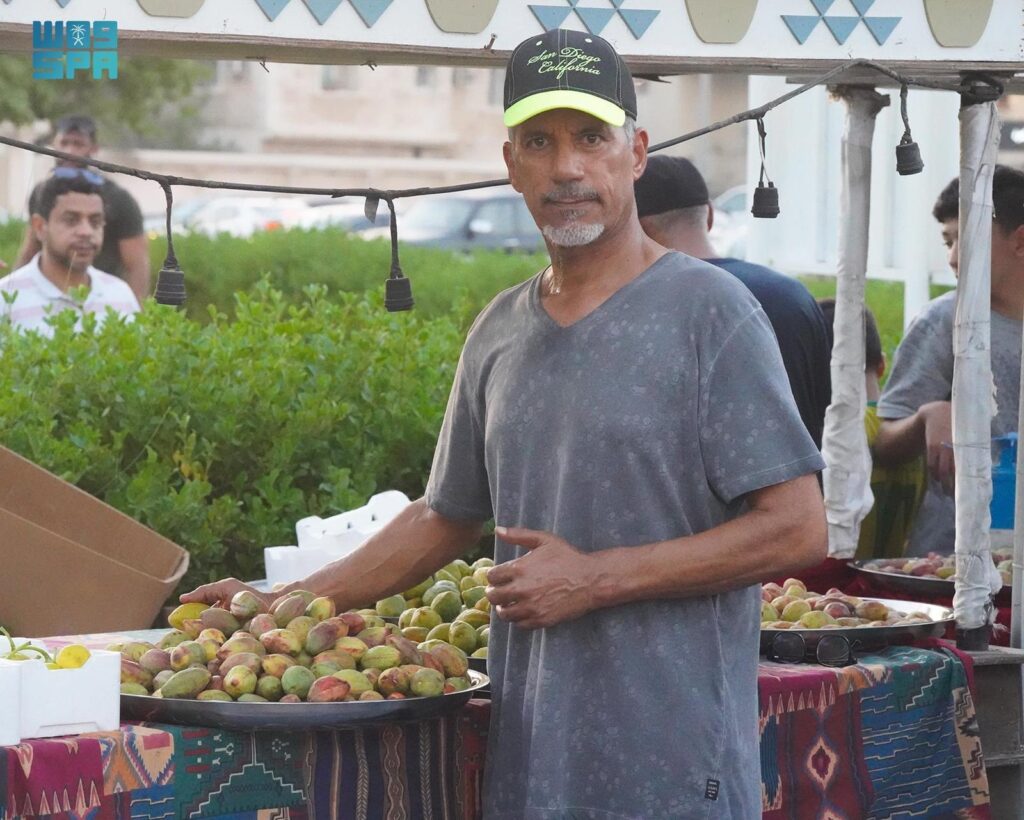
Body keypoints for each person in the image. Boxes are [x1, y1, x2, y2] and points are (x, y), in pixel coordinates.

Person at [182, 28, 826, 818]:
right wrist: (276, 605)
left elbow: (796, 529)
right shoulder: (499, 330)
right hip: (532, 762)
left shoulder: (712, 314)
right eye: (540, 141)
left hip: (671, 763)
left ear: (636, 152)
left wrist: (593, 578)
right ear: (510, 163)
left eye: (592, 137)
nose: (567, 166)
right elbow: (442, 516)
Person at [634, 154, 833, 450]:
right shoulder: (793, 295)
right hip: (806, 492)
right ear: (710, 216)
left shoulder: (652, 309)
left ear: (638, 229)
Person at [874, 166, 1024, 556]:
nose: (954, 257)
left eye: (966, 239)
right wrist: (928, 414)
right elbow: (883, 442)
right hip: (949, 558)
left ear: (1020, 241)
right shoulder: (944, 322)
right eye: (947, 242)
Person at [818, 298, 925, 558]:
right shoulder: (912, 429)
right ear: (882, 365)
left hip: (834, 586)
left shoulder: (832, 432)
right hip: (892, 579)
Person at [13, 115, 150, 302]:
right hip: (47, 297)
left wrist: (133, 316)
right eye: (64, 142)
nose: (69, 151)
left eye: (78, 144)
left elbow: (137, 265)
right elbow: (30, 248)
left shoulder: (119, 199)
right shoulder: (41, 192)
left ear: (93, 148)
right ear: (54, 144)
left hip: (101, 300)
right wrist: (12, 294)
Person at [0, 173, 141, 335]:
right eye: (71, 220)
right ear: (39, 227)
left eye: (95, 222)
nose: (86, 232)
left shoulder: (119, 294)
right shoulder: (6, 298)